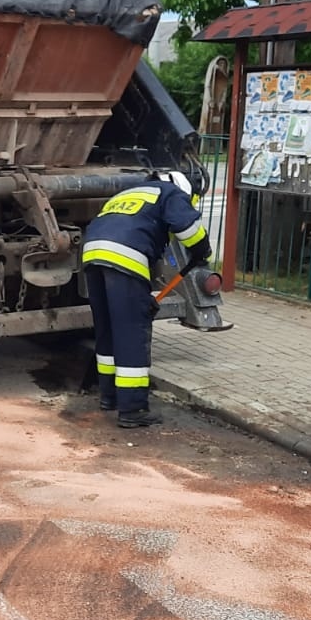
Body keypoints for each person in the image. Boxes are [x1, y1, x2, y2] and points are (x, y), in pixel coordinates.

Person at [82, 170, 212, 428]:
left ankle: (109, 397)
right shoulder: (171, 193)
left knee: (108, 329)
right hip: (125, 256)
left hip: (92, 254)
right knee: (131, 332)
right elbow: (188, 228)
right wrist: (202, 249)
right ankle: (132, 409)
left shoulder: (128, 194)